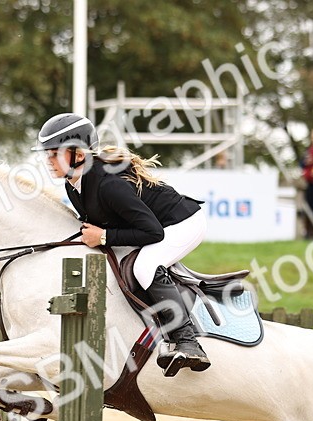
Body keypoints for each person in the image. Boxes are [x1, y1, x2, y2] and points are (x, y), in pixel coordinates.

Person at [33, 112, 210, 376]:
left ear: (78, 154)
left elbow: (152, 233)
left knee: (145, 266)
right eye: (47, 153)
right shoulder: (73, 183)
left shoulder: (108, 185)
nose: (48, 159)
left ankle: (188, 341)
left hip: (183, 223)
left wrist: (104, 236)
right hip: (157, 226)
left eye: (54, 153)